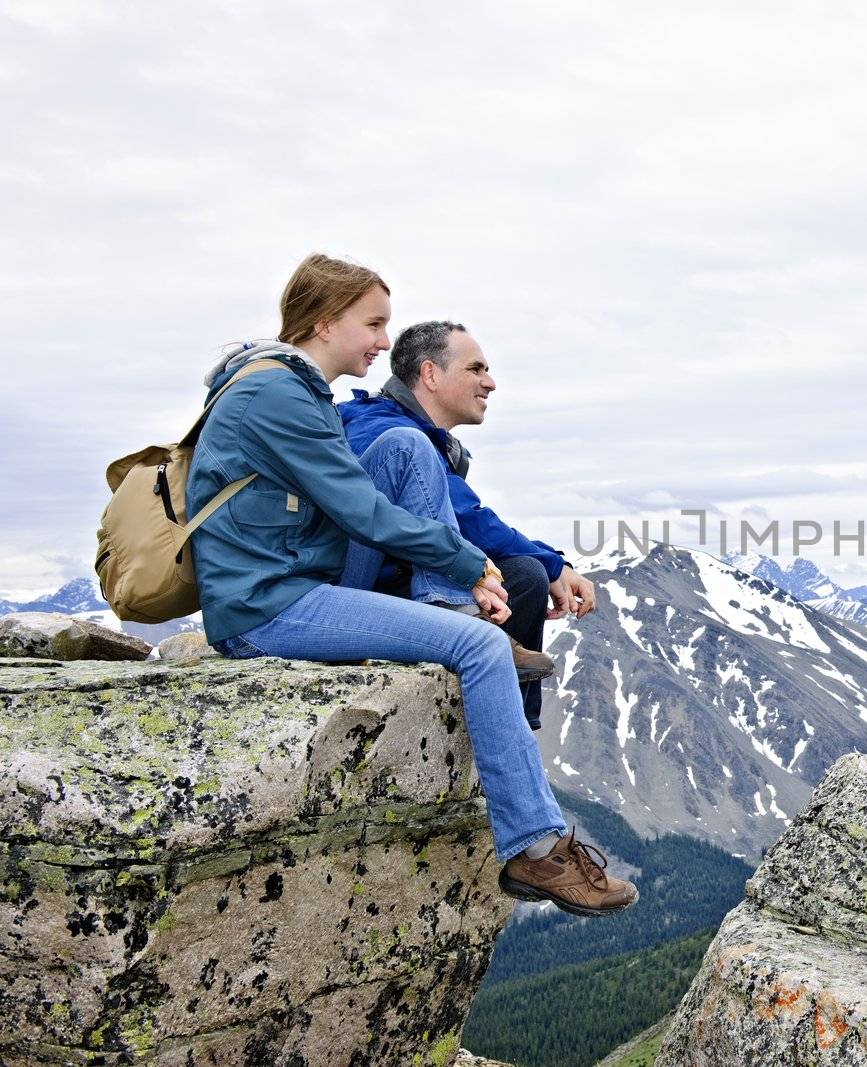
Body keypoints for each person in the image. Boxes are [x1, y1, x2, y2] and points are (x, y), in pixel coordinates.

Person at [187, 253, 635, 916]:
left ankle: (451, 613)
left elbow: (366, 496)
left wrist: (462, 574)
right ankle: (536, 850)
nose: (382, 341)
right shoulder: (274, 393)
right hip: (269, 603)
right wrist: (471, 566)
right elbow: (361, 511)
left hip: (292, 573)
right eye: (372, 324)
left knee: (406, 449)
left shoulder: (289, 386)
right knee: (479, 649)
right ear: (322, 321)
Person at [337, 321, 597, 732]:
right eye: (475, 369)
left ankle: (513, 728)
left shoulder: (417, 434)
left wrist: (544, 566)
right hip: (357, 588)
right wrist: (555, 565)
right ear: (430, 374)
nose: (490, 382)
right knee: (529, 572)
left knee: (523, 577)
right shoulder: (384, 428)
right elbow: (466, 519)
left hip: (394, 578)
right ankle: (475, 680)